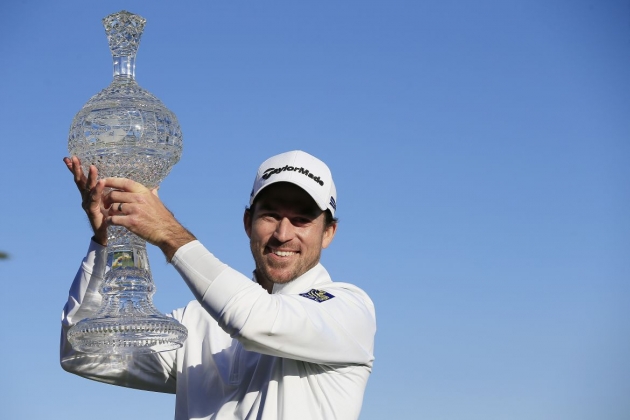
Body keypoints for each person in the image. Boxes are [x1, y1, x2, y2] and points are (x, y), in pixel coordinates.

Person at [60, 150, 376, 420]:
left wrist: (169, 233)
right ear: (247, 222)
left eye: (301, 220)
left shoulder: (347, 308)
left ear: (328, 232)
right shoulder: (197, 319)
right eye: (270, 215)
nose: (283, 233)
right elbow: (83, 352)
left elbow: (257, 320)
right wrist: (111, 240)